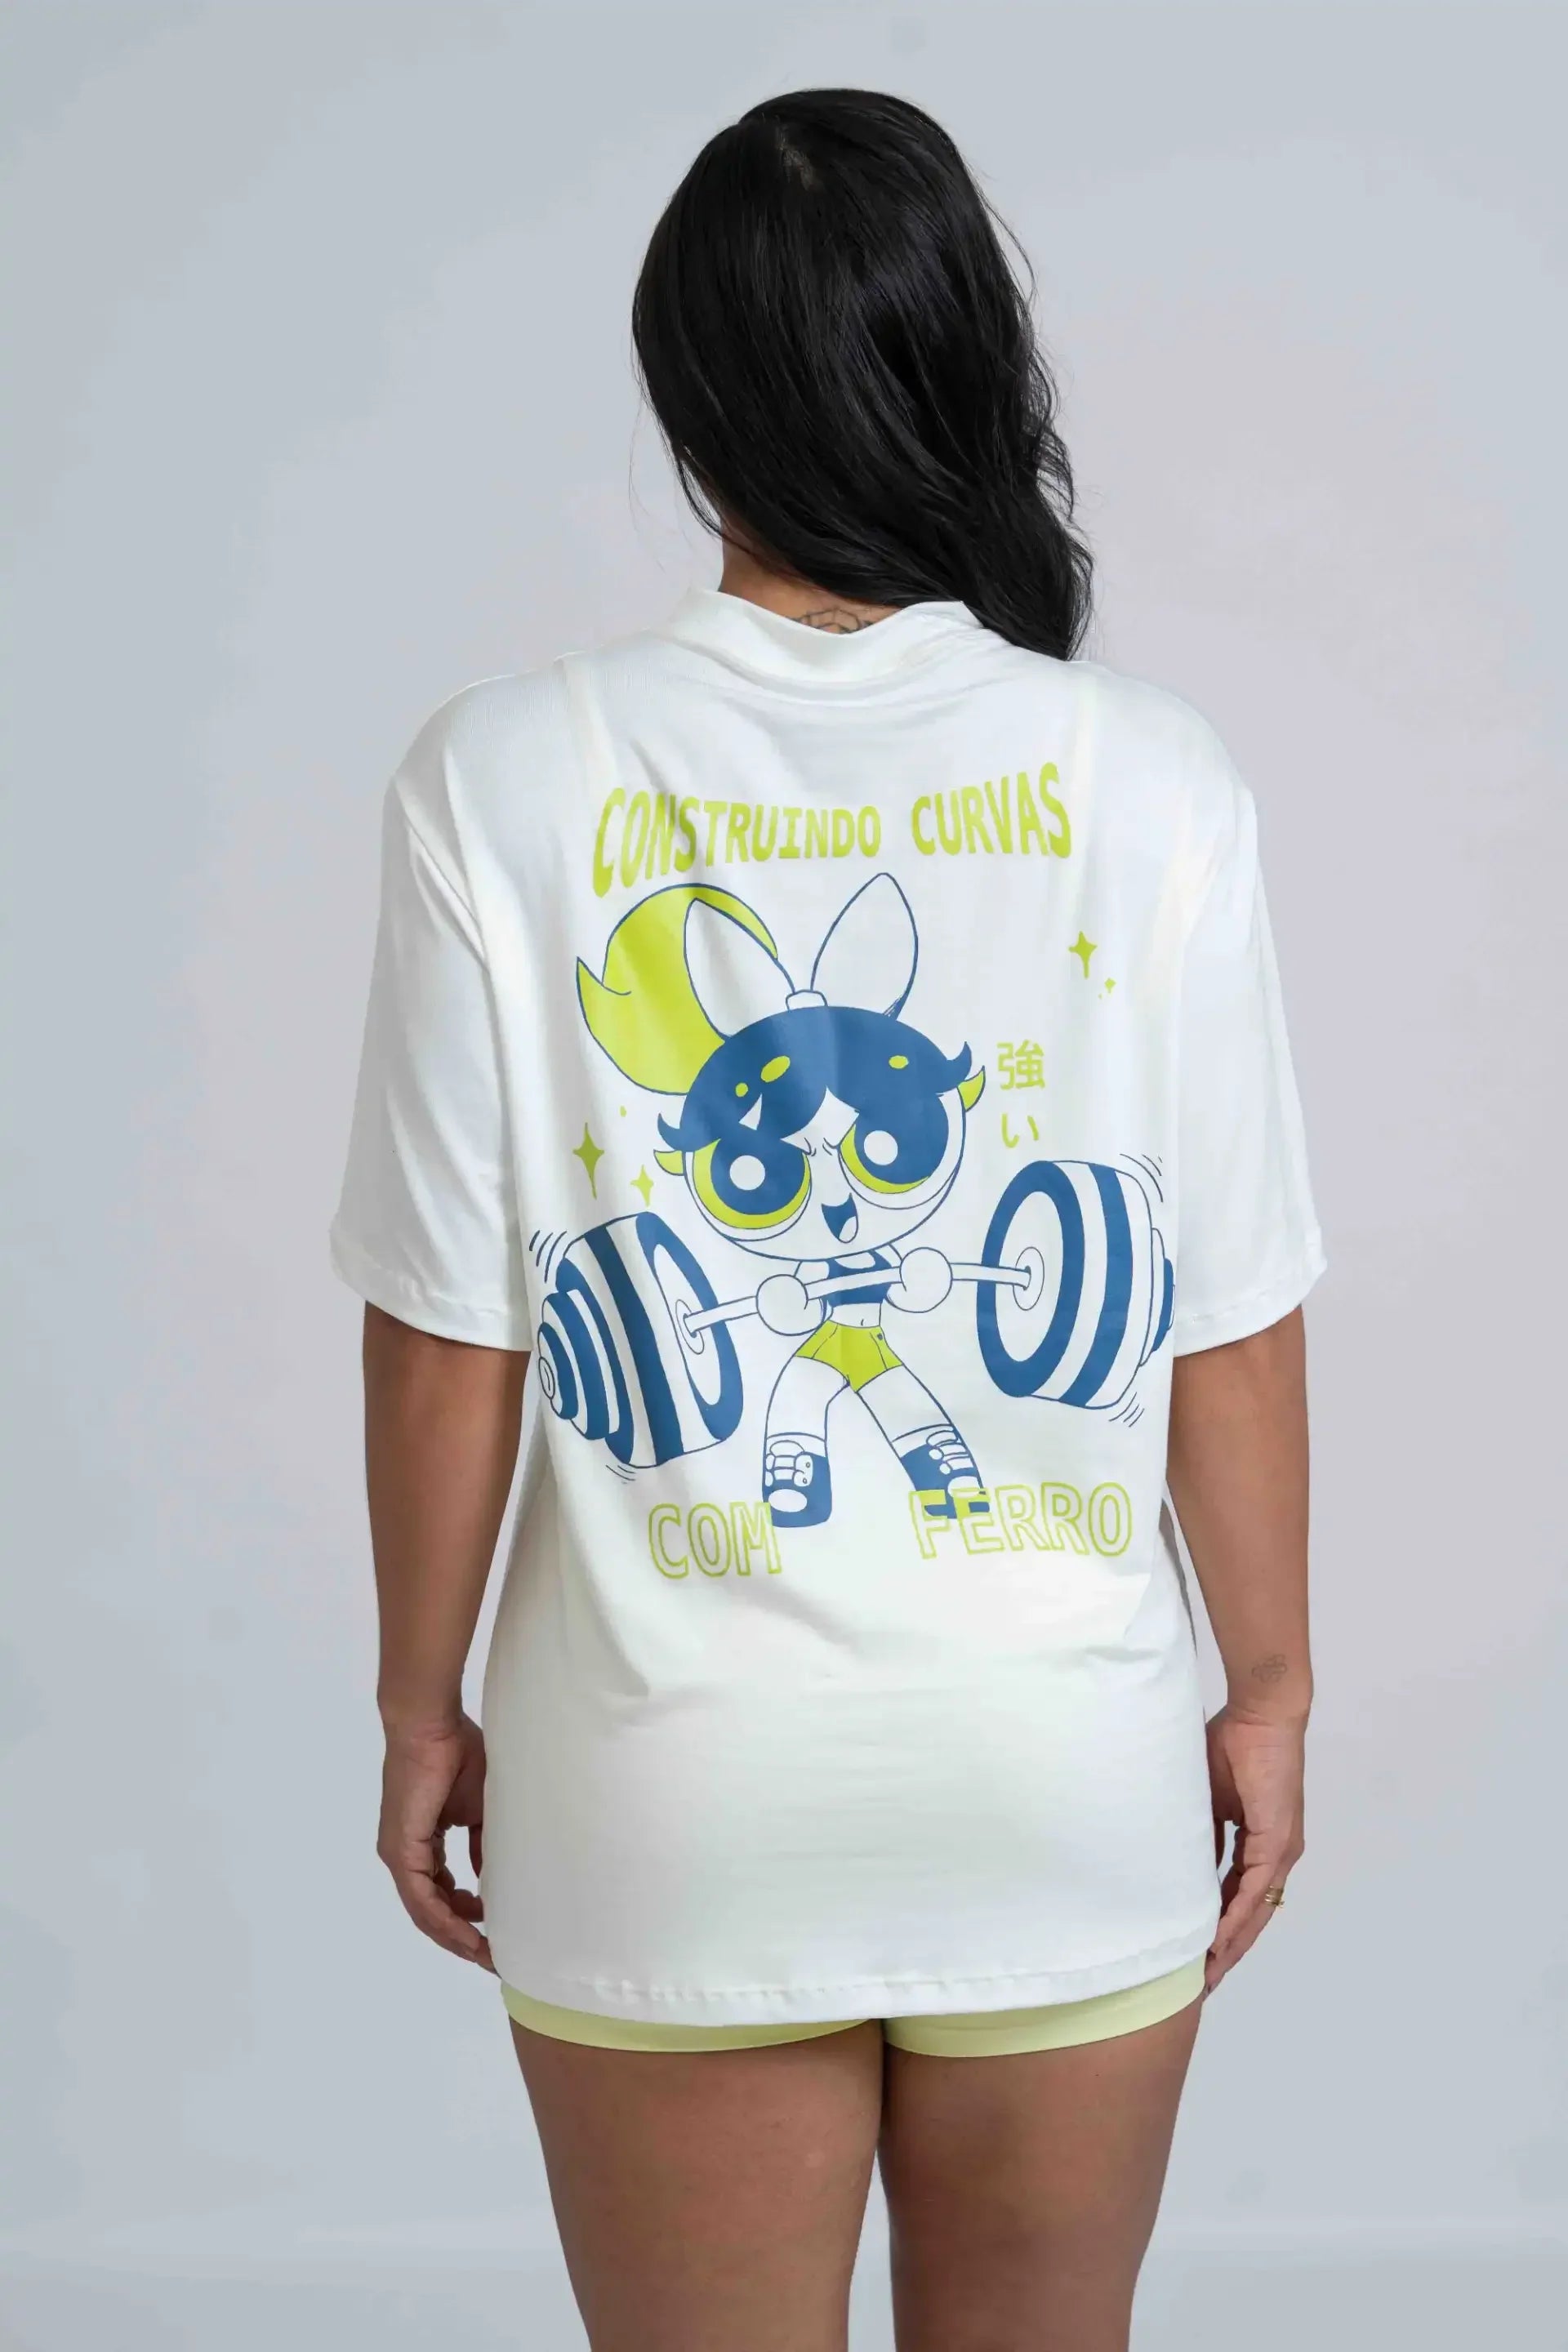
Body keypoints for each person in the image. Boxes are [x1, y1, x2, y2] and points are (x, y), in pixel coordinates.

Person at [331, 87, 1323, 2352]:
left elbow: (454, 1330)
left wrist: (417, 1705)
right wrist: (1266, 1696)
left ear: (687, 393)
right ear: (971, 366)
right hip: (1055, 1776)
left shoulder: (505, 777)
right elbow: (1227, 1316)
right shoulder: (1148, 774)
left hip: (664, 1790)